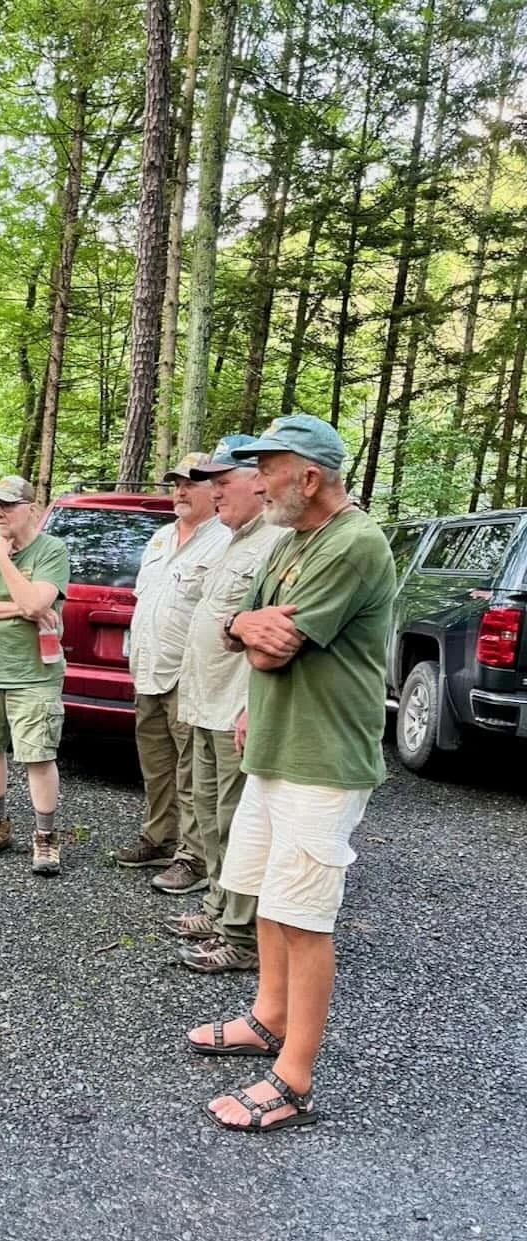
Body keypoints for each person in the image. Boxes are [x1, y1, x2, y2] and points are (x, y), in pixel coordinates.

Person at [186, 414, 396, 1133]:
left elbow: (276, 649)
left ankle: (294, 1078)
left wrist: (250, 634)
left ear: (308, 477)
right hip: (274, 747)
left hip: (322, 759)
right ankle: (268, 1016)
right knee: (271, 899)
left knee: (305, 917)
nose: (256, 481)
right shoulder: (291, 540)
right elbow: (241, 626)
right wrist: (246, 627)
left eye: (267, 468)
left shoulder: (355, 544)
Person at [165, 436, 286, 973]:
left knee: (239, 823)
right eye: (209, 482)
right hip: (205, 702)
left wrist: (250, 706)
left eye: (223, 481)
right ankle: (218, 908)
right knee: (212, 818)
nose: (213, 492)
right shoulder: (236, 540)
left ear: (258, 483)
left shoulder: (275, 543)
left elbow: (276, 637)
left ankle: (241, 934)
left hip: (237, 707)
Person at [114, 453, 230, 893]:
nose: (180, 491)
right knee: (156, 765)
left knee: (193, 772)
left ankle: (193, 856)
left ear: (214, 489)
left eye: (191, 483)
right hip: (148, 671)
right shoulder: (161, 537)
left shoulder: (223, 540)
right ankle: (158, 836)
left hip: (190, 674)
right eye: (176, 483)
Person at [0, 476, 71, 876]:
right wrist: (18, 609)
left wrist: (5, 561)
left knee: (38, 755)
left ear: (31, 508)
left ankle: (45, 836)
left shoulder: (51, 550)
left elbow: (37, 600)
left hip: (34, 674)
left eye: (6, 505)